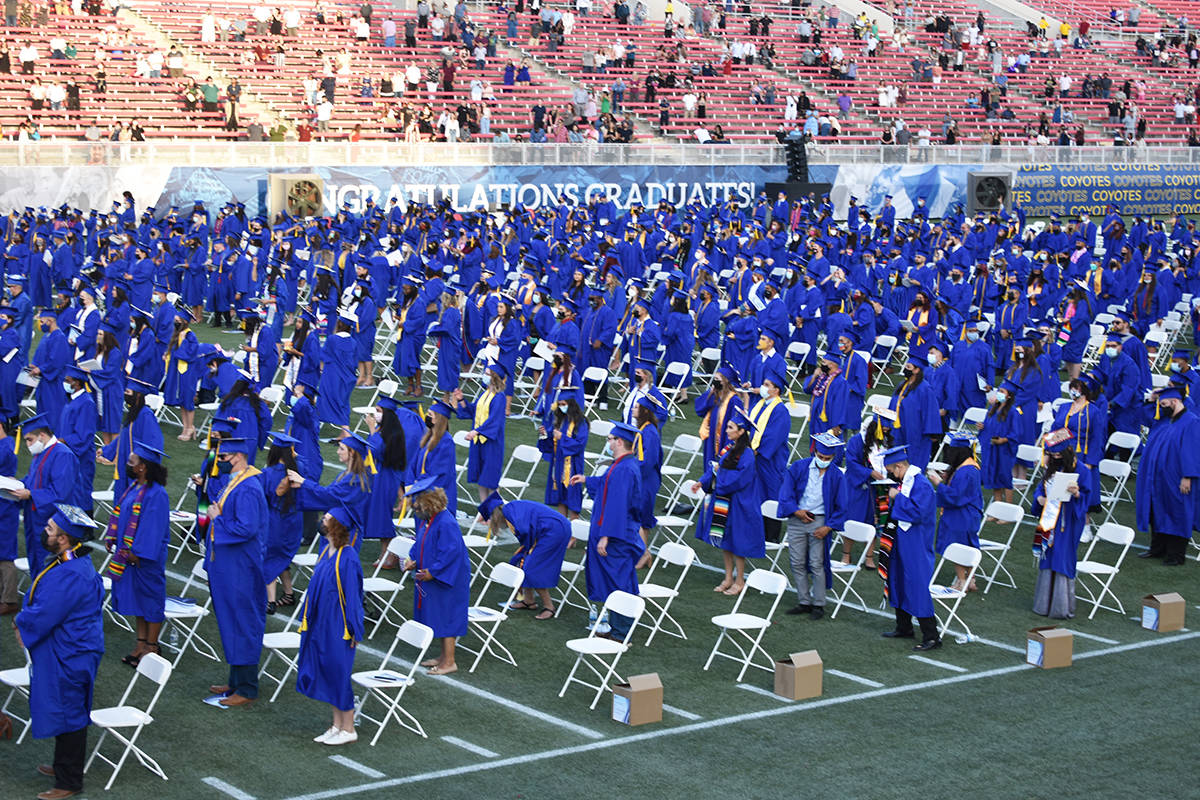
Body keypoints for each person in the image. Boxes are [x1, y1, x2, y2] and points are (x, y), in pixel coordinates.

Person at [14, 503, 104, 799]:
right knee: (67, 709)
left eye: (50, 529)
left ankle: (68, 782)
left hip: (71, 652)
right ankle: (62, 765)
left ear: (63, 538)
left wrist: (21, 623)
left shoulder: (72, 573)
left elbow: (48, 611)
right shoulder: (69, 561)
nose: (45, 531)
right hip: (70, 646)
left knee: (71, 712)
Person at [203, 419, 268, 706]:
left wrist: (219, 519)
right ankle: (234, 681)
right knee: (231, 621)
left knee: (242, 621)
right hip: (228, 564)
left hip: (241, 567)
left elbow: (247, 528)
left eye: (226, 457)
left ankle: (247, 688)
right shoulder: (238, 482)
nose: (222, 461)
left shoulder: (249, 487)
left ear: (239, 456)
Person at [296, 502, 365, 746]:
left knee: (338, 674)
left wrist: (355, 628)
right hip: (321, 623)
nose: (322, 521)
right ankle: (336, 725)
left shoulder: (348, 557)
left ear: (336, 525)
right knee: (326, 672)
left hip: (340, 626)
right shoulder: (327, 551)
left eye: (326, 518)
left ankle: (349, 728)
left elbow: (355, 597)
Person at [571, 421, 643, 641]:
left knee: (619, 581)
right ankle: (617, 628)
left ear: (619, 441)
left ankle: (622, 633)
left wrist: (605, 536)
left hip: (617, 536)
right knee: (616, 579)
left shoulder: (624, 468)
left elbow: (617, 505)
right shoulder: (622, 464)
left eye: (610, 439)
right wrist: (587, 480)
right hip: (618, 532)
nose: (608, 442)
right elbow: (606, 484)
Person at [105, 441, 170, 668]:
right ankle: (140, 643)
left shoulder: (157, 494)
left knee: (150, 601)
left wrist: (137, 553)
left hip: (146, 559)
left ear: (143, 467)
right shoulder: (134, 487)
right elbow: (121, 515)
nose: (128, 464)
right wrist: (113, 537)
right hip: (130, 556)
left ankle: (152, 646)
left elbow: (153, 528)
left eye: (132, 461)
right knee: (137, 601)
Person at [776, 432, 848, 618]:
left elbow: (842, 505)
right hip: (798, 518)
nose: (823, 460)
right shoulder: (798, 467)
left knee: (817, 563)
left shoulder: (837, 476)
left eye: (828, 458)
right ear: (814, 451)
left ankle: (819, 604)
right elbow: (786, 493)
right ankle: (804, 601)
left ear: (833, 457)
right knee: (797, 562)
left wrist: (828, 527)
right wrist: (796, 511)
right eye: (821, 456)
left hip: (820, 521)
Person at [693, 406, 763, 595]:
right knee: (724, 539)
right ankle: (728, 577)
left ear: (741, 432)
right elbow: (716, 467)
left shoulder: (747, 454)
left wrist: (718, 481)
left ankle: (740, 581)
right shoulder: (729, 448)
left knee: (737, 542)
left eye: (731, 428)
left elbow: (739, 479)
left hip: (740, 503)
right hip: (725, 501)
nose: (727, 430)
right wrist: (702, 481)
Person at [403, 475, 470, 675]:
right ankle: (443, 656)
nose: (415, 510)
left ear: (429, 504)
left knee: (446, 618)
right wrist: (413, 559)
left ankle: (449, 661)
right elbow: (421, 542)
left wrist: (433, 572)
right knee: (439, 616)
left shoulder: (445, 522)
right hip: (432, 575)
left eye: (418, 507)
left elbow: (451, 553)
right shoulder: (430, 520)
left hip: (448, 578)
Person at [880, 445, 941, 650]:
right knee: (897, 580)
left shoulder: (921, 484)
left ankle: (931, 636)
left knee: (917, 585)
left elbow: (918, 513)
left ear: (899, 466)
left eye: (891, 471)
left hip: (916, 542)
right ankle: (904, 626)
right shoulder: (905, 482)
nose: (891, 475)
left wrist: (898, 498)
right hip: (900, 538)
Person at [1135, 386, 1200, 566]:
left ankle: (1176, 555)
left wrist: (1188, 476)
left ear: (1175, 401)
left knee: (1177, 513)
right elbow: (1142, 416)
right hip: (1156, 477)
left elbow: (1193, 451)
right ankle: (1157, 549)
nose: (1161, 407)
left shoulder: (1191, 421)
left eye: (1163, 404)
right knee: (1157, 510)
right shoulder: (1164, 421)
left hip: (1177, 478)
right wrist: (1151, 399)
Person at [480, 492, 571, 619]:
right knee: (524, 561)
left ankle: (549, 607)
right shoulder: (509, 509)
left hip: (554, 530)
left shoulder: (509, 514)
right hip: (550, 528)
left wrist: (528, 549)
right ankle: (529, 601)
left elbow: (524, 530)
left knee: (532, 568)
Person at [1032, 430, 1090, 617]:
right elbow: (1040, 488)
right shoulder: (1052, 467)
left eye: (1058, 455)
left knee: (1063, 556)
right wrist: (1039, 498)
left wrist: (1077, 494)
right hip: (1050, 519)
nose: (1054, 458)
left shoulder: (1081, 469)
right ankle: (1043, 604)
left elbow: (1089, 497)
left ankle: (1061, 606)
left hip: (1068, 520)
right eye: (1051, 455)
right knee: (1048, 554)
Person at [12, 412, 77, 574]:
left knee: (49, 569)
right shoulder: (41, 454)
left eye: (29, 440)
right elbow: (31, 481)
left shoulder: (63, 455)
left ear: (41, 435)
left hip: (52, 524)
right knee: (35, 565)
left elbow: (60, 493)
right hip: (34, 520)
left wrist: (30, 494)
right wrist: (14, 484)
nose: (27, 444)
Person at [927, 432, 983, 591]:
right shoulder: (967, 467)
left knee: (956, 546)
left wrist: (939, 484)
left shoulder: (967, 471)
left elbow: (956, 496)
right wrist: (947, 478)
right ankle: (969, 580)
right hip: (965, 514)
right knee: (966, 547)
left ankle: (962, 580)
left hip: (962, 516)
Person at [260, 432, 303, 614]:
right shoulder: (299, 470)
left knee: (269, 557)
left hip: (275, 521)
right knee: (282, 558)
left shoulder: (267, 473)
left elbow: (261, 498)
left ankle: (270, 601)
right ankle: (288, 593)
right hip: (294, 521)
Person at [454, 361, 507, 503]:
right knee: (481, 478)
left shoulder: (499, 397)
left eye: (488, 374)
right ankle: (484, 511)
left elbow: (494, 421)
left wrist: (476, 432)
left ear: (494, 377)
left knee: (490, 478)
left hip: (491, 443)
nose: (484, 375)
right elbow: (475, 411)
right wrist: (462, 400)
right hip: (478, 441)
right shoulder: (485, 394)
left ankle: (493, 512)